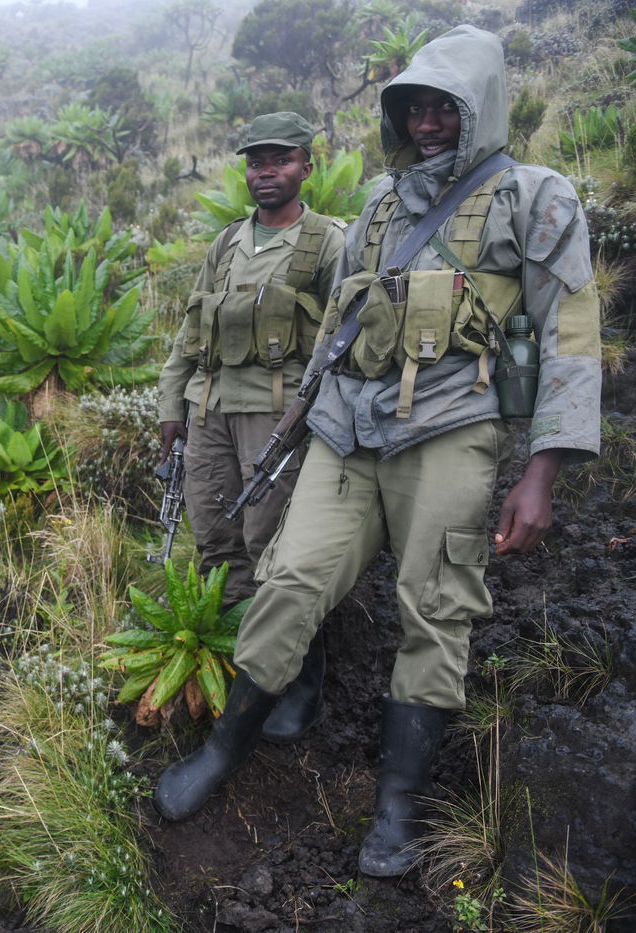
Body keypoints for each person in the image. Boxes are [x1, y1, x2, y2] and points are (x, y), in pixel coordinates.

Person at [153, 25, 601, 880]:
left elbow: (571, 332)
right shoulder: (382, 207)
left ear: (480, 111)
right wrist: (302, 423)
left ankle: (398, 804)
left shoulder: (533, 197)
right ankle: (227, 744)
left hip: (451, 429)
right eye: (415, 108)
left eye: (446, 108)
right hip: (346, 429)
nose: (428, 123)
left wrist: (543, 469)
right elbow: (336, 329)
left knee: (433, 603)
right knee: (289, 577)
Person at [156, 111, 344, 742]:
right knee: (217, 541)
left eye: (281, 159)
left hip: (277, 417)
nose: (267, 172)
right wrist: (170, 409)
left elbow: (342, 341)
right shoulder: (228, 243)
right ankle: (249, 675)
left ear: (306, 166)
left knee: (276, 551)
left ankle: (302, 682)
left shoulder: (326, 242)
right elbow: (190, 331)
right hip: (209, 411)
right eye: (256, 161)